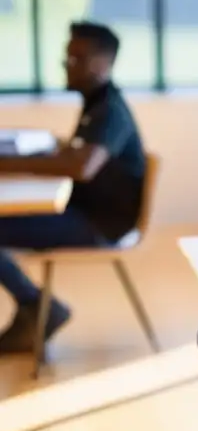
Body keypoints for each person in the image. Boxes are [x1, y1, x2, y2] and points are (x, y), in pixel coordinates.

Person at [0, 22, 146, 353]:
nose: (67, 64)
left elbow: (81, 165)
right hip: (86, 213)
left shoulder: (110, 110)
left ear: (102, 64)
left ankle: (38, 306)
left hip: (98, 225)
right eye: (67, 57)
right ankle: (36, 307)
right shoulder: (97, 103)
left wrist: (8, 164)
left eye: (76, 58)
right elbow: (78, 152)